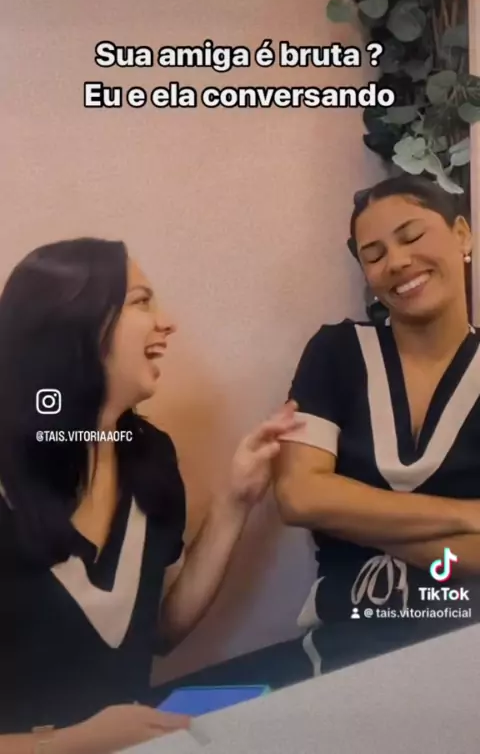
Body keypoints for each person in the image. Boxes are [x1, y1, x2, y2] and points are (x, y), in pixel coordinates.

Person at [0, 238, 301, 754]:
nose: (167, 324)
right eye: (141, 302)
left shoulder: (150, 457)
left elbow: (160, 629)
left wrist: (234, 502)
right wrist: (72, 743)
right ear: (76, 321)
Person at [274, 173, 480, 676]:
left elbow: (319, 500)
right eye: (374, 255)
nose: (398, 262)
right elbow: (299, 495)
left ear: (462, 235)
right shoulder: (336, 352)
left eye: (412, 236)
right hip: (346, 651)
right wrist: (467, 514)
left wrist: (346, 512)